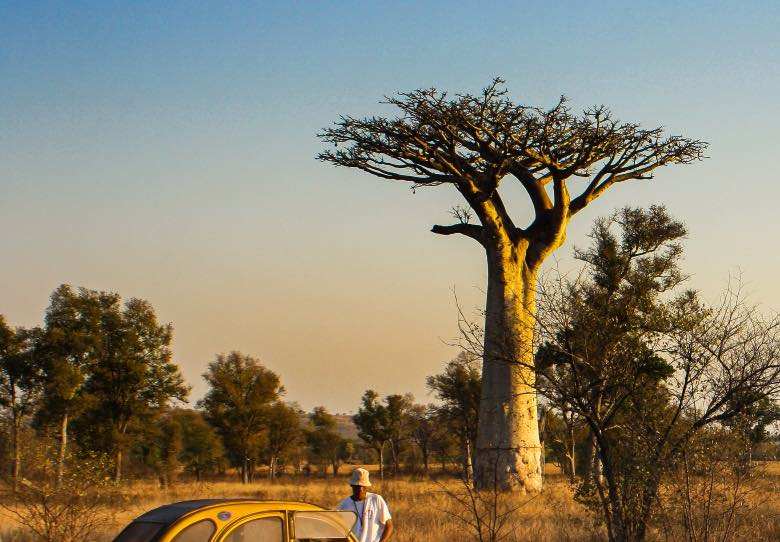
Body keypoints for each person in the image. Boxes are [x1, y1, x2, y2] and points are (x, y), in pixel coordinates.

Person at [337, 467, 393, 542]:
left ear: (367, 486)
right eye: (357, 486)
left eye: (363, 486)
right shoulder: (344, 505)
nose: (360, 489)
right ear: (352, 486)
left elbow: (389, 526)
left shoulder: (376, 500)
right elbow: (340, 532)